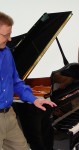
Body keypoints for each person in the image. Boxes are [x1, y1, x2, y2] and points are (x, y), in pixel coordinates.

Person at [0, 11, 57, 150]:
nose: (10, 39)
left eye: (10, 34)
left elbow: (16, 81)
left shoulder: (7, 52)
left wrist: (34, 99)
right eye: (6, 35)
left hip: (9, 116)